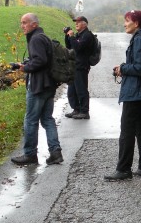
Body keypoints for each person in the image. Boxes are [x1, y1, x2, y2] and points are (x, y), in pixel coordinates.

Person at [104, 10, 141, 181]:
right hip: (140, 91)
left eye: (127, 20)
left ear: (136, 23)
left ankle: (124, 169)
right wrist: (124, 68)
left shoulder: (140, 39)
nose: (124, 24)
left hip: (135, 92)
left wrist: (123, 68)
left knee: (127, 131)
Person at [11, 13, 63, 166]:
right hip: (49, 85)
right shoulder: (43, 37)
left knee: (31, 120)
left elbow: (40, 60)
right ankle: (55, 153)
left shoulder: (36, 39)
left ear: (34, 24)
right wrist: (27, 64)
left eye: (25, 23)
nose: (22, 26)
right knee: (47, 119)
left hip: (38, 86)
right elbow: (43, 60)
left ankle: (30, 155)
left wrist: (25, 68)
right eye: (21, 23)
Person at [64, 16, 95, 119]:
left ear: (85, 24)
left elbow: (77, 48)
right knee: (72, 90)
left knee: (81, 89)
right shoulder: (79, 35)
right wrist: (67, 36)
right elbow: (70, 47)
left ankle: (85, 112)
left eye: (78, 22)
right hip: (74, 66)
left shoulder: (87, 36)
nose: (76, 24)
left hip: (82, 66)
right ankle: (76, 109)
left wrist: (72, 36)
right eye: (75, 22)